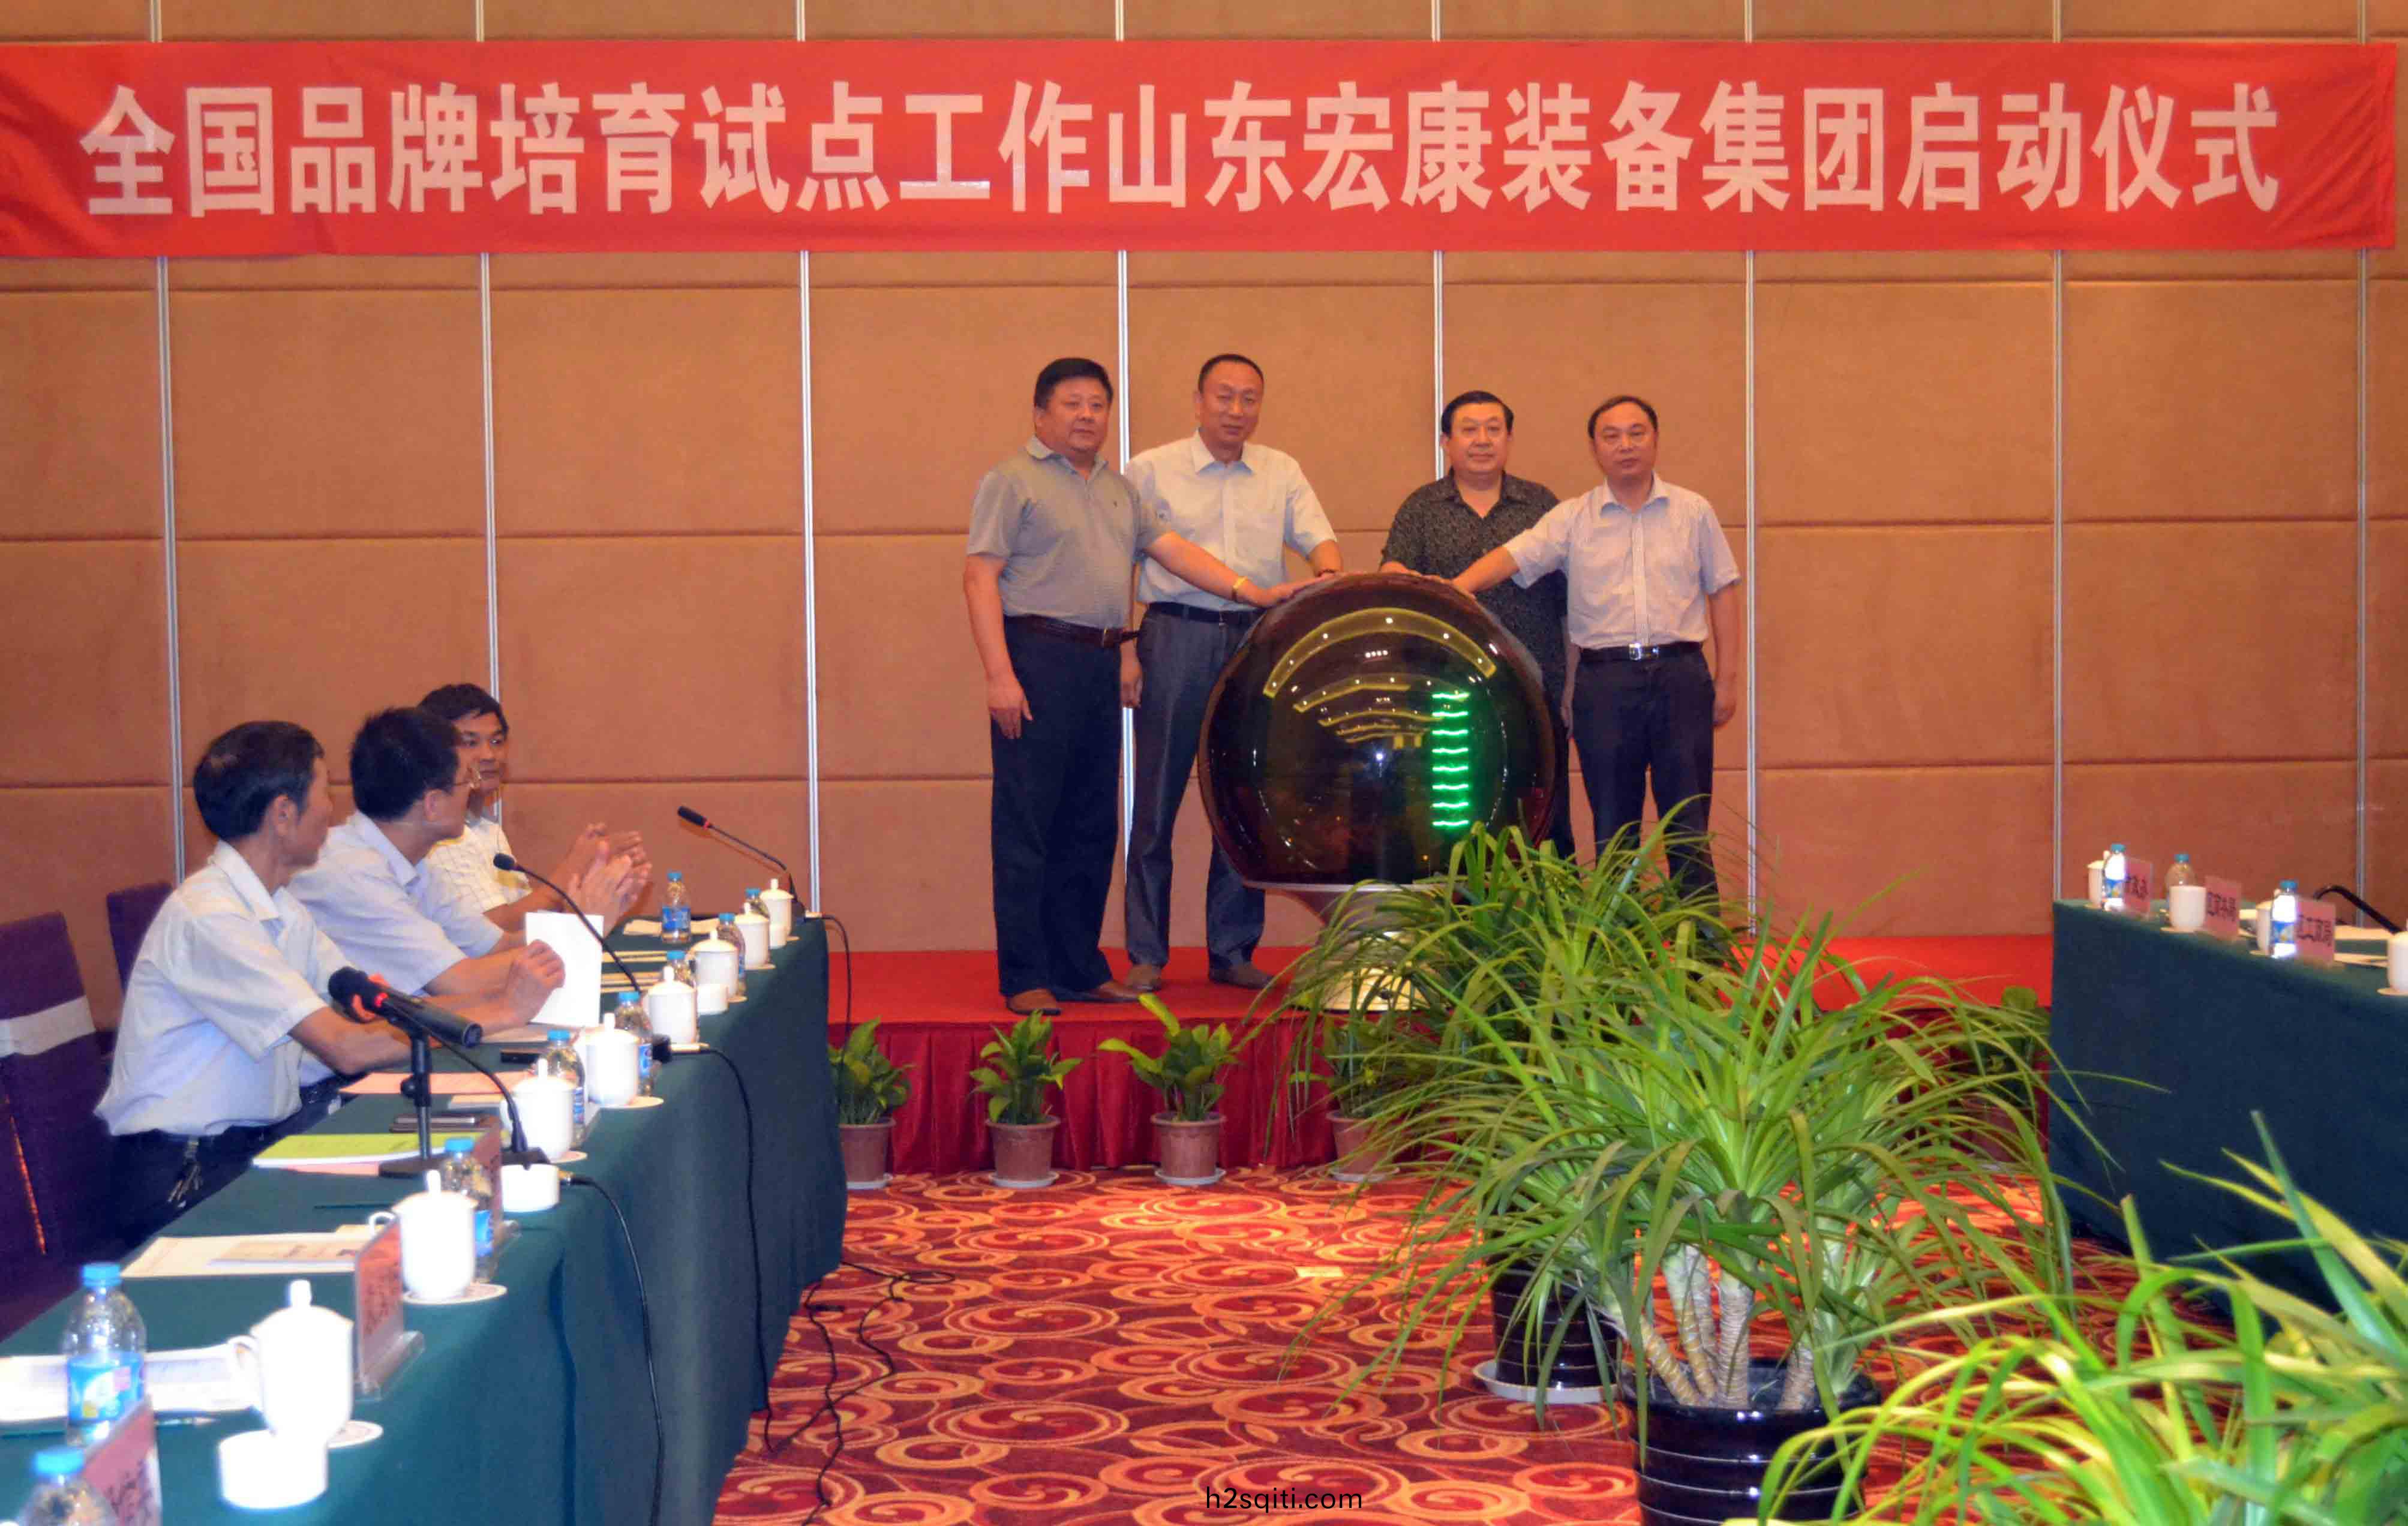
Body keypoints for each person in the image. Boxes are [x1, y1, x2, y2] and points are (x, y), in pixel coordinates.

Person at [96, 720, 565, 1245]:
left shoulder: (278, 904)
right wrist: (505, 1011)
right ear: (283, 814)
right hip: (182, 1181)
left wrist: (500, 1001)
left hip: (247, 1150)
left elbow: (385, 1007)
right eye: (323, 792)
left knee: (419, 1203)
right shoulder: (212, 917)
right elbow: (345, 1047)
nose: (331, 810)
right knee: (391, 1231)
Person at [965, 357, 1295, 1016]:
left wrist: (1251, 591)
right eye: (1072, 404)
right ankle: (1026, 974)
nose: (1087, 416)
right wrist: (999, 675)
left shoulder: (1119, 489)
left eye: (1097, 405)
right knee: (1029, 824)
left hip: (1098, 662)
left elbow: (1174, 551)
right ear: (1040, 415)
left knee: (1092, 824)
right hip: (1035, 659)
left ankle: (1079, 968)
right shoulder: (1011, 480)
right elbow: (979, 577)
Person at [1451, 395, 1741, 901]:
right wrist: (1455, 589)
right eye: (1612, 436)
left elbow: (1723, 591)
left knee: (1688, 823)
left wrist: (1729, 679)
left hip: (1681, 677)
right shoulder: (1572, 518)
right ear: (1595, 448)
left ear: (1655, 439)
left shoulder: (1694, 511)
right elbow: (1512, 557)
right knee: (1613, 826)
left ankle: (1704, 941)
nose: (1625, 445)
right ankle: (1618, 940)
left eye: (1636, 433)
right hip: (1606, 685)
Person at [1122, 353, 1339, 993]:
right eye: (1224, 397)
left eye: (1249, 398)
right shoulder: (1150, 469)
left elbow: (1319, 537)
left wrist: (1328, 574)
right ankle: (1146, 954)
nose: (1236, 410)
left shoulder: (1280, 470)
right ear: (1198, 402)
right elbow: (1119, 564)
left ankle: (1232, 950)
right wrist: (1126, 650)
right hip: (1175, 635)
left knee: (1243, 799)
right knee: (1156, 802)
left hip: (1255, 642)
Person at [291, 707, 636, 999]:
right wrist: (585, 931)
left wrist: (581, 917)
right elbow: (462, 982)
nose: (473, 788)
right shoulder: (352, 873)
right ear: (432, 805)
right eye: (465, 779)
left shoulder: (413, 863)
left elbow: (499, 947)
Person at [1379, 389, 1577, 859]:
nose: (1482, 440)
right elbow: (1392, 569)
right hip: (1447, 692)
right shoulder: (1423, 507)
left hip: (1534, 686)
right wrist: (1407, 579)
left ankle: (1549, 906)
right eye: (1469, 430)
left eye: (1494, 429)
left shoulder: (1541, 505)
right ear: (1446, 442)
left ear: (1509, 438)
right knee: (1450, 818)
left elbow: (1570, 603)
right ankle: (1454, 905)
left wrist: (1570, 685)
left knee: (1543, 815)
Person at [418, 682, 649, 935]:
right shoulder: (440, 837)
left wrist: (593, 899)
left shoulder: (486, 828)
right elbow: (490, 934)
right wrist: (572, 870)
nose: (489, 755)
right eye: (470, 743)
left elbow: (528, 925)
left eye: (496, 741)